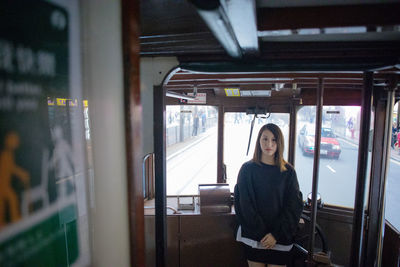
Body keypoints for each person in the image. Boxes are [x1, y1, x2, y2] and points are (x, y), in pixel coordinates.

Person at [234, 123, 303, 267]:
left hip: (281, 237)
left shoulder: (288, 172)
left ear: (279, 143)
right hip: (253, 236)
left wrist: (275, 235)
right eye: (265, 139)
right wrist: (262, 235)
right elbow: (244, 205)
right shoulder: (247, 170)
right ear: (258, 140)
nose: (269, 144)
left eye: (274, 139)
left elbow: (293, 207)